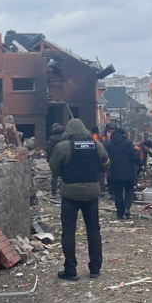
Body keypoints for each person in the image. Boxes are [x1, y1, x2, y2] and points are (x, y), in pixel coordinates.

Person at [49, 118, 109, 280]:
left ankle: (70, 269)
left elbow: (54, 169)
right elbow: (106, 164)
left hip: (69, 193)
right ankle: (95, 268)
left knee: (68, 232)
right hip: (91, 192)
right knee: (93, 230)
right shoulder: (97, 145)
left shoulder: (62, 147)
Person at [106, 126, 143, 219]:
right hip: (128, 172)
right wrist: (140, 163)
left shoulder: (109, 144)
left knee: (117, 191)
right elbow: (134, 156)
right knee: (128, 190)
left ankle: (119, 211)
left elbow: (106, 157)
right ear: (123, 134)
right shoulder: (128, 142)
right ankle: (127, 208)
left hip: (114, 172)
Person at [45, 123, 65, 195]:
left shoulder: (52, 138)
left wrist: (49, 159)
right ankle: (64, 191)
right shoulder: (65, 136)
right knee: (65, 175)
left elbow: (49, 149)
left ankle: (54, 192)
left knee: (55, 175)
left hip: (56, 158)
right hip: (65, 157)